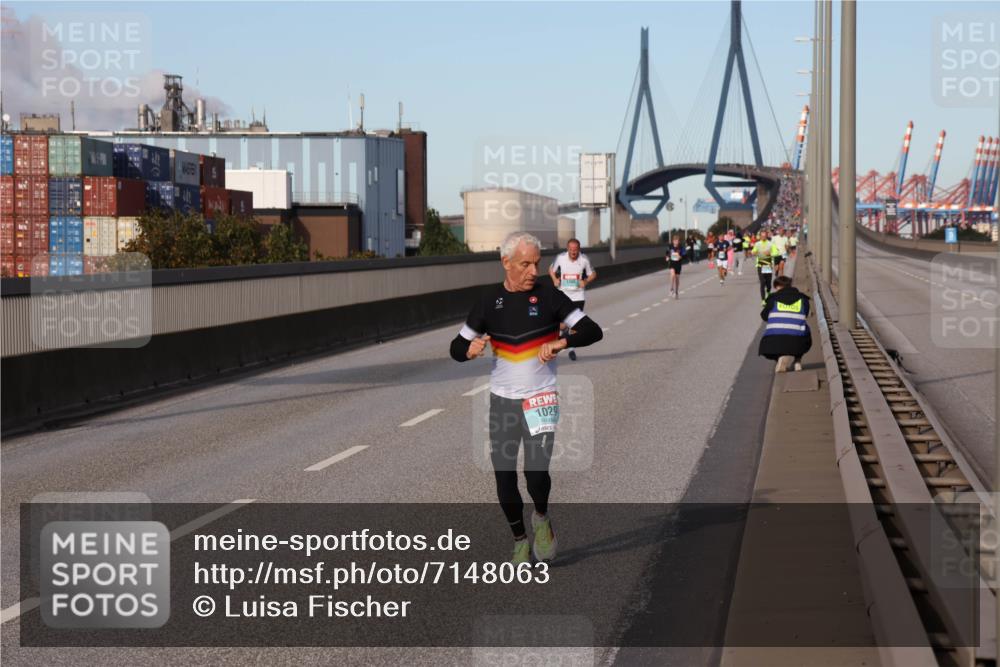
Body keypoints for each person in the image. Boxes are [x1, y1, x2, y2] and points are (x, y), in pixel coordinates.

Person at [451, 231, 603, 564]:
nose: (533, 271)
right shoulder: (489, 301)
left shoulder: (550, 296)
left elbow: (592, 330)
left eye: (536, 263)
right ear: (505, 262)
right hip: (502, 401)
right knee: (503, 476)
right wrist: (470, 349)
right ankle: (519, 538)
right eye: (525, 264)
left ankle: (542, 517)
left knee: (536, 475)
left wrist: (562, 343)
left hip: (541, 399)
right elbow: (456, 348)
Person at [549, 238, 596, 361]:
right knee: (563, 325)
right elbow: (551, 270)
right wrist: (555, 279)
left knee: (574, 326)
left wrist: (585, 281)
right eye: (571, 250)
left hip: (578, 296)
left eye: (575, 250)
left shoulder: (584, 259)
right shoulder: (560, 258)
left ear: (579, 249)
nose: (573, 252)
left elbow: (593, 274)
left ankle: (571, 349)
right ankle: (558, 340)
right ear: (567, 249)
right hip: (563, 294)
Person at [759, 275, 812, 373]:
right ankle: (797, 360)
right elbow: (805, 314)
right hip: (798, 341)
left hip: (772, 342)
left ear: (777, 286)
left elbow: (764, 316)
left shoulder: (773, 298)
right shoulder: (802, 298)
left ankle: (780, 357)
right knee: (804, 329)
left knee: (773, 335)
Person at [752, 230, 780, 305]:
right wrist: (754, 252)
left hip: (768, 265)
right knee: (762, 282)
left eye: (765, 236)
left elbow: (776, 253)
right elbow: (753, 251)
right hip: (760, 265)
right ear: (760, 236)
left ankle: (768, 292)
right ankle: (763, 300)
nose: (763, 237)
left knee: (768, 283)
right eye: (762, 236)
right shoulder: (757, 244)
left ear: (767, 236)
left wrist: (770, 253)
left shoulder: (771, 244)